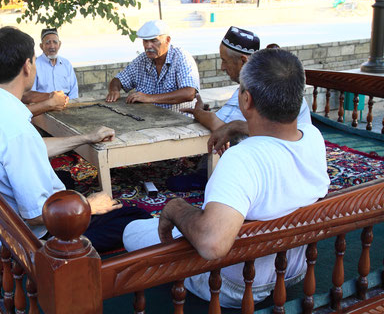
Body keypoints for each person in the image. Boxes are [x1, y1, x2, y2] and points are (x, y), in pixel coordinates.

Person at [123, 48, 330, 308]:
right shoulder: (313, 137)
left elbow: (212, 244)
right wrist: (232, 126)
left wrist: (176, 209)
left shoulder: (243, 159)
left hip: (237, 286)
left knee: (133, 231)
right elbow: (274, 136)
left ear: (247, 100)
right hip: (294, 269)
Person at [0, 26, 150, 252]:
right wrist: (89, 205)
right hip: (40, 236)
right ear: (28, 66)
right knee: (135, 215)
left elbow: (32, 147)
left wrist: (86, 137)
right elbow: (36, 215)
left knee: (64, 179)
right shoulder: (16, 130)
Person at [169, 27, 312, 191]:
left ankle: (208, 176)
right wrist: (232, 125)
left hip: (279, 165)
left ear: (243, 61)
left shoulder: (256, 87)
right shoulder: (276, 81)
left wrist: (199, 112)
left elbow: (219, 125)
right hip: (292, 158)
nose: (222, 67)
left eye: (224, 60)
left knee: (225, 138)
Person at [105, 19, 200, 112]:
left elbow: (189, 93)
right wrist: (114, 90)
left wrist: (149, 98)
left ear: (167, 40)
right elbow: (118, 80)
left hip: (180, 122)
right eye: (145, 41)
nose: (148, 46)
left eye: (154, 41)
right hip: (149, 118)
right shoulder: (142, 60)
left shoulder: (181, 57)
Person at [0, 60, 68, 119]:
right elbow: (4, 115)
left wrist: (51, 96)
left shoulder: (0, 66)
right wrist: (49, 104)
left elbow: (23, 95)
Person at [32, 28, 79, 99]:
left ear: (59, 44)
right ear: (41, 46)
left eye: (55, 42)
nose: (52, 46)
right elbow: (31, 93)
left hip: (67, 104)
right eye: (48, 43)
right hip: (44, 106)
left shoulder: (66, 64)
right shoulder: (35, 65)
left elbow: (74, 90)